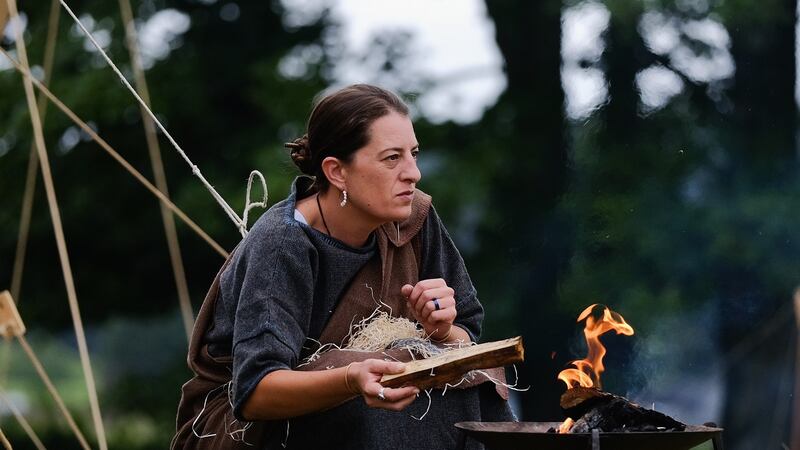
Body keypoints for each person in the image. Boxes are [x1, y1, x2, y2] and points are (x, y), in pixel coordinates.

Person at [172, 84, 515, 450]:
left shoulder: (415, 218)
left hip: (356, 403)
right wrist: (351, 378)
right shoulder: (282, 245)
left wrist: (443, 332)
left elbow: (468, 338)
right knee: (372, 398)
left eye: (413, 154)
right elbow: (255, 392)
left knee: (473, 382)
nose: (413, 173)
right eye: (391, 158)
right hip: (244, 430)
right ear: (337, 172)